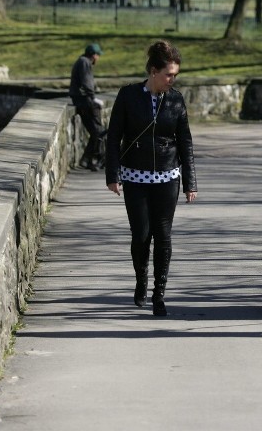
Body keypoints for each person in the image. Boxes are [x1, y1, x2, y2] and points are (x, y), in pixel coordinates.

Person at [105, 40, 197, 317]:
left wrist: (191, 182)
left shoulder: (176, 99)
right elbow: (113, 138)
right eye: (169, 74)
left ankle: (159, 293)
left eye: (175, 75)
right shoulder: (128, 96)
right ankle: (141, 279)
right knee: (141, 235)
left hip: (168, 176)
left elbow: (185, 142)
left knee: (164, 235)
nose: (172, 79)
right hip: (135, 176)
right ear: (154, 71)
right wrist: (113, 175)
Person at [69, 43, 105, 171]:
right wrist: (93, 97)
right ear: (94, 55)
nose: (98, 58)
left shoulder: (82, 61)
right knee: (98, 131)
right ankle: (90, 160)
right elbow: (86, 81)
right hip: (84, 101)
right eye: (98, 55)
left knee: (96, 131)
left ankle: (87, 160)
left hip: (82, 100)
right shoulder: (84, 62)